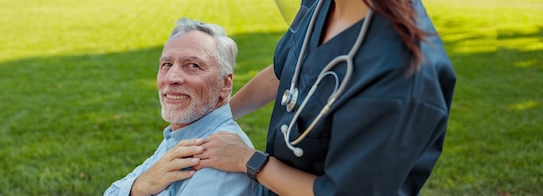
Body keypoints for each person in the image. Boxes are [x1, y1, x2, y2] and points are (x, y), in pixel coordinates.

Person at [187, 0, 457, 195]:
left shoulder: (401, 76)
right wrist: (214, 118)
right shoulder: (321, 6)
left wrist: (249, 160)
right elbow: (284, 72)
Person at [104, 18, 263, 196]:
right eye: (167, 65)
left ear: (224, 84)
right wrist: (139, 186)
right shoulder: (184, 134)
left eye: (193, 65)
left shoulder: (217, 158)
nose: (171, 78)